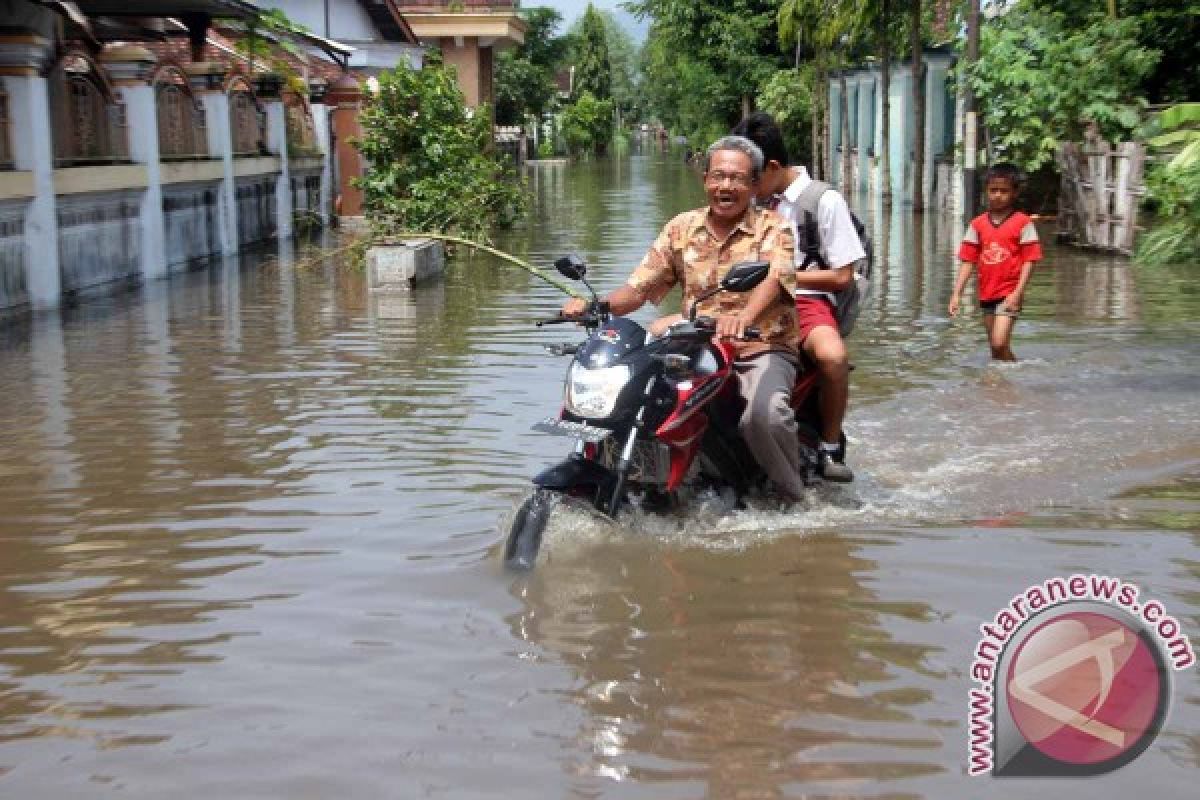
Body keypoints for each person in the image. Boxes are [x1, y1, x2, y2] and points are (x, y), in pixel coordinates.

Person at [561, 135, 810, 503]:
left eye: (738, 178)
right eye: (718, 176)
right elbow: (640, 288)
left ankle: (793, 497)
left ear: (755, 184)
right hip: (695, 347)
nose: (726, 186)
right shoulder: (682, 227)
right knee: (637, 398)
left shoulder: (773, 227)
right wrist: (597, 306)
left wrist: (743, 317)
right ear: (704, 179)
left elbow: (775, 278)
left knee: (764, 414)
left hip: (759, 344)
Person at [731, 112, 864, 482]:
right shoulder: (752, 202)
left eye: (751, 177)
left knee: (834, 358)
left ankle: (830, 444)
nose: (744, 185)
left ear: (771, 167)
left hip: (805, 299)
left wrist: (783, 276)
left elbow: (842, 275)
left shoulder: (823, 201)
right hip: (746, 297)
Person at [948, 163, 1044, 361]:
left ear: (1014, 193)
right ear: (986, 191)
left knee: (999, 342)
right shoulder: (977, 225)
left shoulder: (1022, 222)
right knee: (995, 349)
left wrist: (1018, 293)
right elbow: (968, 260)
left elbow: (1030, 260)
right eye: (993, 190)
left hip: (1009, 293)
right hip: (986, 293)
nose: (998, 195)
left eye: (1004, 191)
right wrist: (957, 294)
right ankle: (1004, 382)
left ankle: (1012, 374)